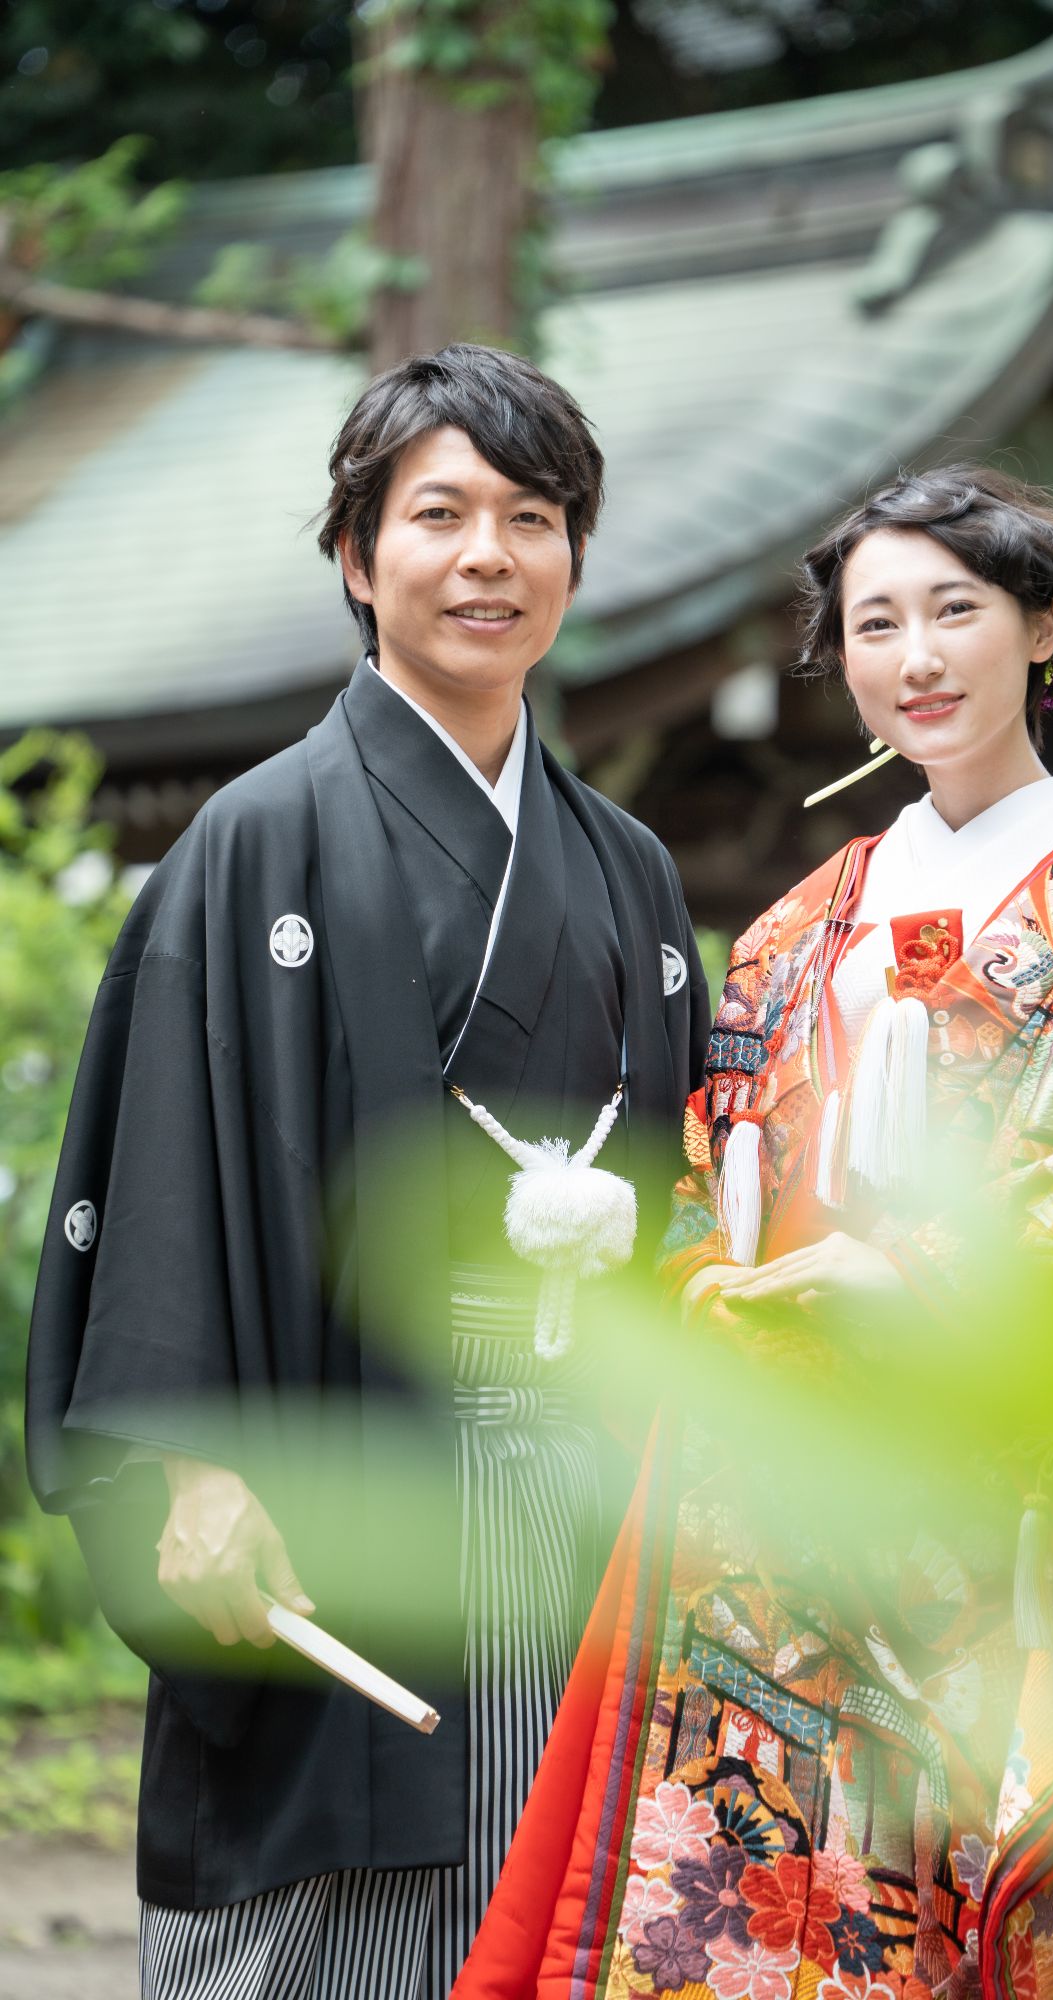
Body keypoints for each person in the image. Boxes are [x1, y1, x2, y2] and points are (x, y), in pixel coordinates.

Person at [453, 467, 1053, 1999]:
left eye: (953, 612)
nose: (914, 657)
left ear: (1048, 626)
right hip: (795, 1503)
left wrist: (913, 1273)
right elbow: (720, 1181)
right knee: (789, 1917)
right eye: (873, 624)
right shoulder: (793, 924)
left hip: (1024, 1490)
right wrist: (709, 1280)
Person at [25, 343, 711, 1997]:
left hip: (595, 1477)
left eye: (533, 518)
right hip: (336, 1469)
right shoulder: (254, 839)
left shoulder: (626, 868)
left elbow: (690, 1192)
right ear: (357, 556)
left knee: (570, 1912)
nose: (490, 556)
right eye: (441, 514)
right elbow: (168, 1173)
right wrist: (187, 1470)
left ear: (570, 557)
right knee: (335, 1929)